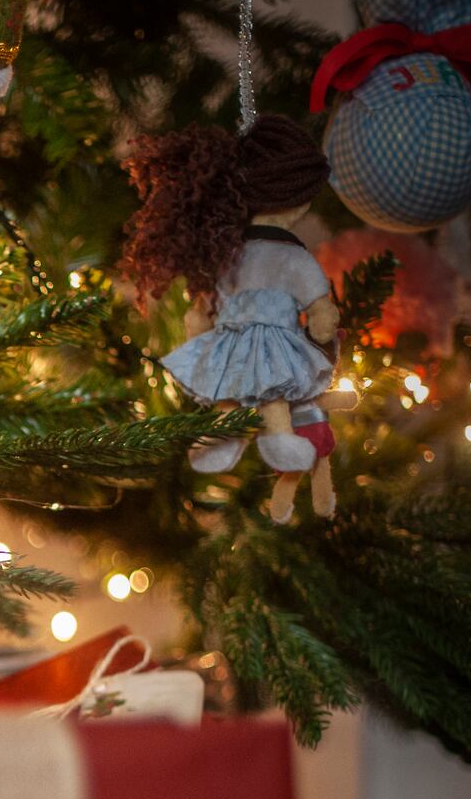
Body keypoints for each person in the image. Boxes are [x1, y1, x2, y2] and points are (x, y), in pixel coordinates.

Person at [120, 114, 342, 522]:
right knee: (271, 389)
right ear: (296, 198)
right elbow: (319, 307)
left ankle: (230, 435)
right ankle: (274, 437)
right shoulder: (293, 257)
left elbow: (206, 302)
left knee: (236, 389)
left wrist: (199, 324)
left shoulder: (230, 252)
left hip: (234, 339)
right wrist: (324, 321)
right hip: (272, 340)